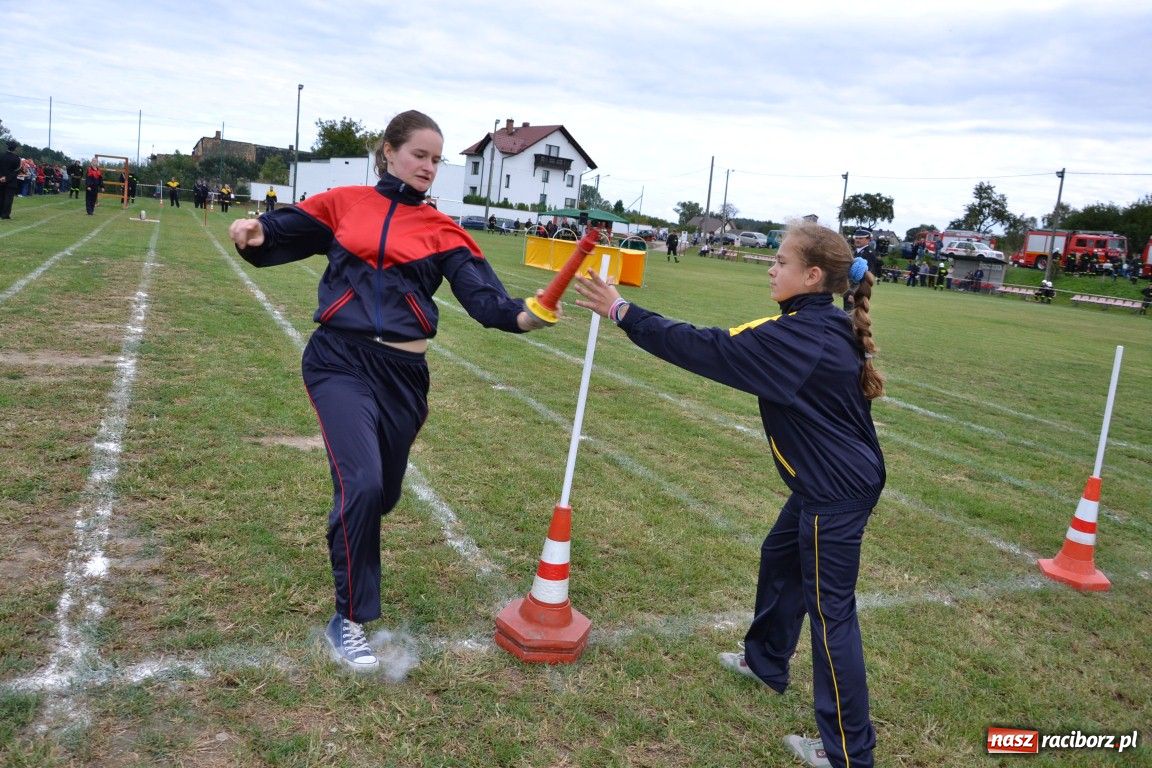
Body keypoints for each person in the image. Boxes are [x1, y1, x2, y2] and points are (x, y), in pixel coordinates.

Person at [228, 109, 554, 675]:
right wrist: (254, 234)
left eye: (436, 158)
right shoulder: (345, 203)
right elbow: (281, 230)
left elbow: (486, 301)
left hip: (403, 376)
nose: (429, 166)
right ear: (389, 152)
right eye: (419, 155)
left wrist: (524, 317)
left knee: (380, 495)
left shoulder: (444, 232)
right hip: (338, 361)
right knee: (362, 483)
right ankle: (348, 619)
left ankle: (353, 519)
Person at [574, 220, 885, 768]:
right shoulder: (817, 323)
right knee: (779, 557)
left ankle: (848, 755)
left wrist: (623, 312)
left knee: (831, 615)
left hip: (833, 492)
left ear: (812, 276)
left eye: (782, 262)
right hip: (829, 482)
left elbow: (706, 348)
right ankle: (765, 662)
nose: (771, 267)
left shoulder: (797, 336)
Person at [0, 140, 21, 220]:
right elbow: (16, 171)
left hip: (0, 180)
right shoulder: (17, 159)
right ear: (14, 149)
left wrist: (1, 177)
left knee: (1, 197)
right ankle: (5, 214)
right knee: (8, 199)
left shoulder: (1, 156)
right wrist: (7, 178)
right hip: (11, 181)